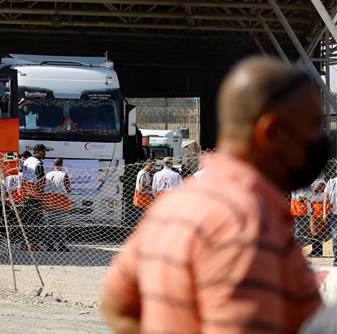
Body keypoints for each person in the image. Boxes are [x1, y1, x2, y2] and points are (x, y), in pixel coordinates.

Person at [101, 57, 326, 334]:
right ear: (271, 132)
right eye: (313, 126)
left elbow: (117, 305)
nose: (321, 138)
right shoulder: (247, 226)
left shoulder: (175, 206)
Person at [20, 144, 47, 251]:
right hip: (35, 196)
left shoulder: (27, 160)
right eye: (43, 151)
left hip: (26, 194)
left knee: (26, 220)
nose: (45, 153)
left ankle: (24, 244)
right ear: (37, 152)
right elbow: (41, 181)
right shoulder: (38, 163)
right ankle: (34, 244)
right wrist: (42, 194)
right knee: (36, 221)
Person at [43, 158, 72, 252]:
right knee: (61, 225)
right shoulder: (64, 175)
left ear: (53, 165)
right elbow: (69, 189)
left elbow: (41, 185)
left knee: (49, 225)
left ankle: (49, 245)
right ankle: (62, 245)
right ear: (62, 165)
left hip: (48, 203)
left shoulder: (47, 175)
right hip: (61, 203)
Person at [304, 179, 331, 258]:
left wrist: (307, 190)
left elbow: (312, 193)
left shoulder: (321, 183)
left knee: (316, 231)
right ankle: (315, 250)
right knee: (313, 231)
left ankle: (318, 251)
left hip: (318, 208)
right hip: (314, 207)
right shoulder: (314, 182)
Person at [324, 176, 337, 267]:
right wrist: (324, 212)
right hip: (334, 213)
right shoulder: (332, 181)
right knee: (335, 236)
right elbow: (326, 197)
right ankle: (336, 259)